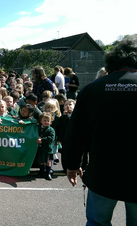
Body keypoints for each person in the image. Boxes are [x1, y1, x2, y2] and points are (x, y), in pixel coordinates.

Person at [65, 36, 137, 225]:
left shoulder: (92, 88)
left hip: (102, 172)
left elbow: (76, 132)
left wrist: (72, 164)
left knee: (97, 222)